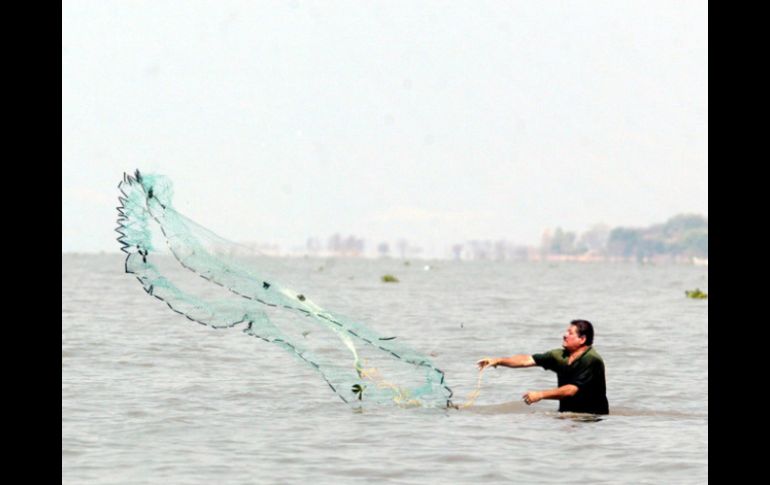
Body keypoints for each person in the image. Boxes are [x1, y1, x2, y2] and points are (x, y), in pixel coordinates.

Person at [476, 319, 609, 414]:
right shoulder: (559, 356)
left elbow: (571, 390)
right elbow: (526, 360)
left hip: (591, 420)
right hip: (567, 416)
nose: (564, 335)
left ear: (582, 339)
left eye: (570, 333)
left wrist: (540, 395)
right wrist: (497, 361)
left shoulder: (591, 360)